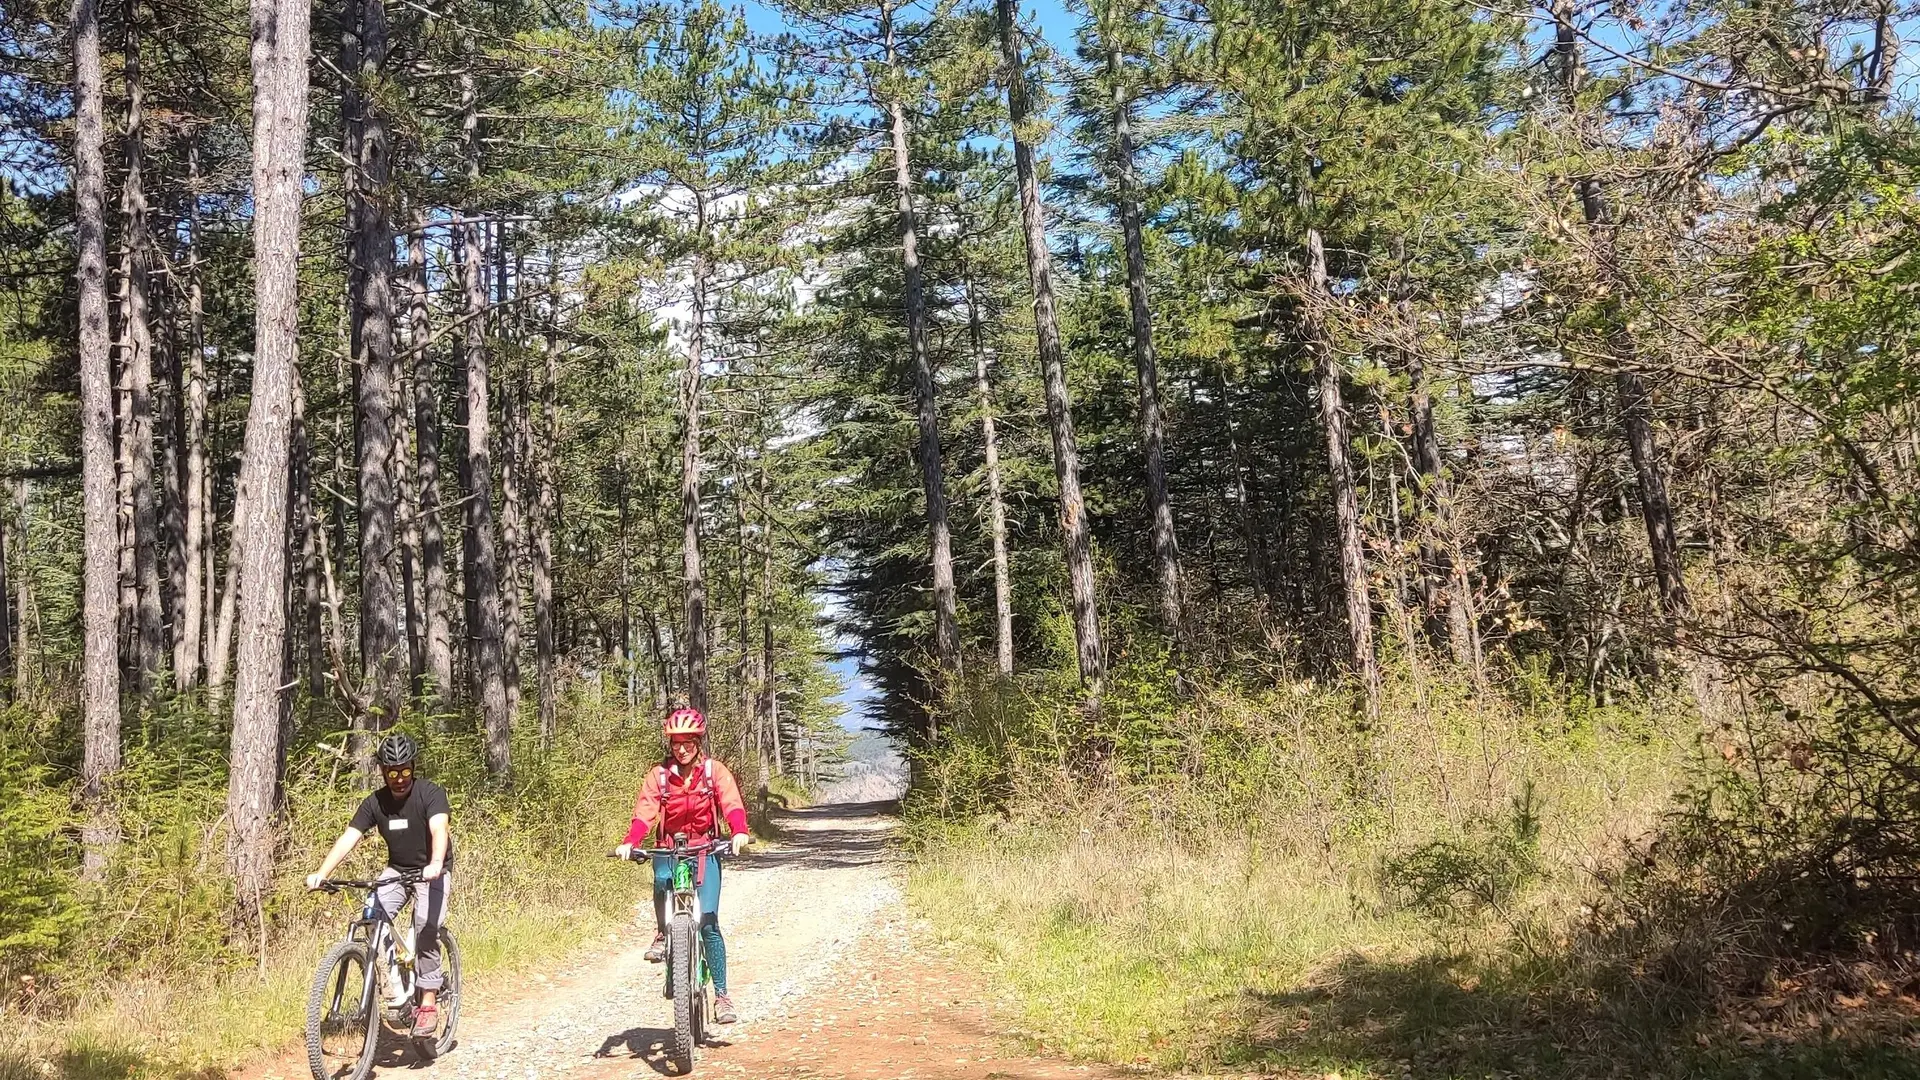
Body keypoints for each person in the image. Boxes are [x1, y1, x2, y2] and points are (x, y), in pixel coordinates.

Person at [306, 733, 452, 1039]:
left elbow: (439, 828)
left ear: (413, 767)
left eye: (405, 771)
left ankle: (427, 1001)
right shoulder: (375, 802)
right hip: (397, 870)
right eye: (392, 772)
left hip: (431, 872)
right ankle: (393, 989)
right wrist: (321, 873)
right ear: (383, 772)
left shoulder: (430, 793)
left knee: (426, 925)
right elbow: (349, 837)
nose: (399, 779)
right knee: (370, 917)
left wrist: (436, 863)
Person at [613, 706, 751, 1024]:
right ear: (670, 744)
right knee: (662, 879)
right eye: (676, 742)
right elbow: (645, 812)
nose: (682, 748)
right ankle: (663, 933)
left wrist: (739, 831)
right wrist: (631, 841)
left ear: (698, 742)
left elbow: (731, 803)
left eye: (688, 741)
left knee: (710, 923)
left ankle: (723, 996)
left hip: (706, 849)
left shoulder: (714, 772)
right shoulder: (659, 776)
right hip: (668, 848)